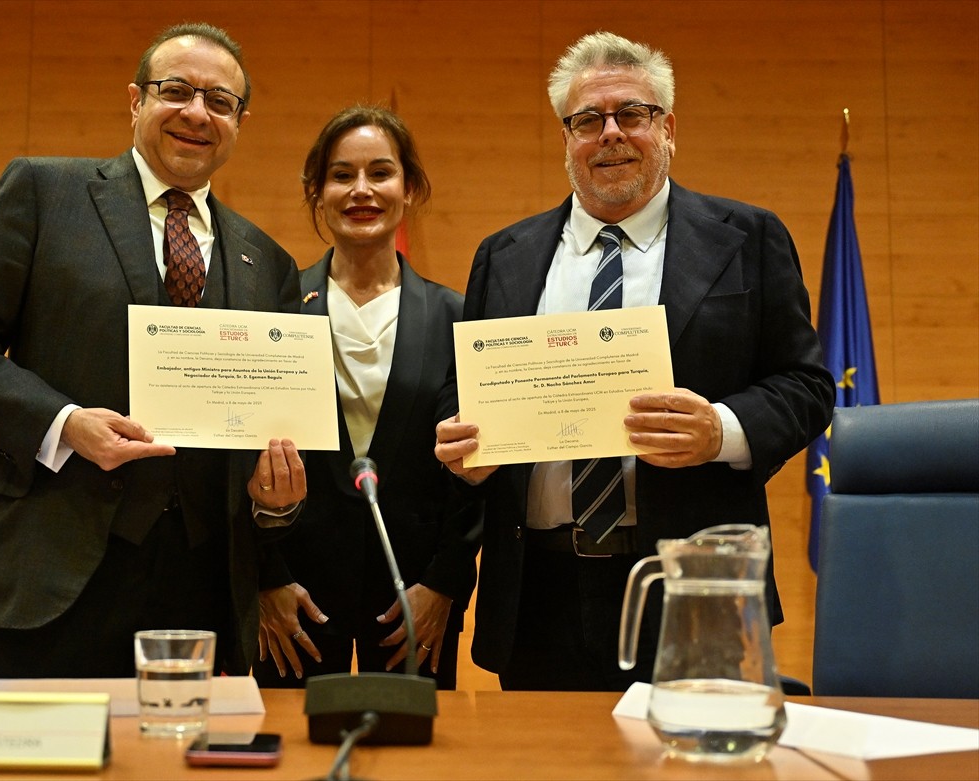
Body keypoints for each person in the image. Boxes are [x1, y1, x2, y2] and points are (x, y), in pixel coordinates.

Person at [434, 31, 834, 691]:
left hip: (689, 581)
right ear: (567, 138)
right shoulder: (502, 255)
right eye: (587, 119)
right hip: (539, 589)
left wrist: (721, 430)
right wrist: (464, 448)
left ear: (668, 128)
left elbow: (806, 385)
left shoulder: (749, 237)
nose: (609, 132)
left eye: (632, 114)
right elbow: (462, 395)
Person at [0, 22, 307, 679]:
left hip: (202, 581)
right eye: (176, 90)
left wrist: (275, 501)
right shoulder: (43, 193)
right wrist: (65, 424)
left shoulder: (268, 260)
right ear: (135, 101)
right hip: (55, 561)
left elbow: (270, 423)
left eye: (219, 101)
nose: (195, 113)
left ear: (239, 122)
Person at [252, 106, 482, 690]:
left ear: (409, 189)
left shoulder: (457, 317)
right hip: (294, 598)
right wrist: (264, 578)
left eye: (380, 173)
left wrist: (446, 584)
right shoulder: (271, 312)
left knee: (414, 762)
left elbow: (478, 467)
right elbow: (235, 455)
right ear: (317, 192)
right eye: (340, 175)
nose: (361, 190)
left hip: (415, 599)